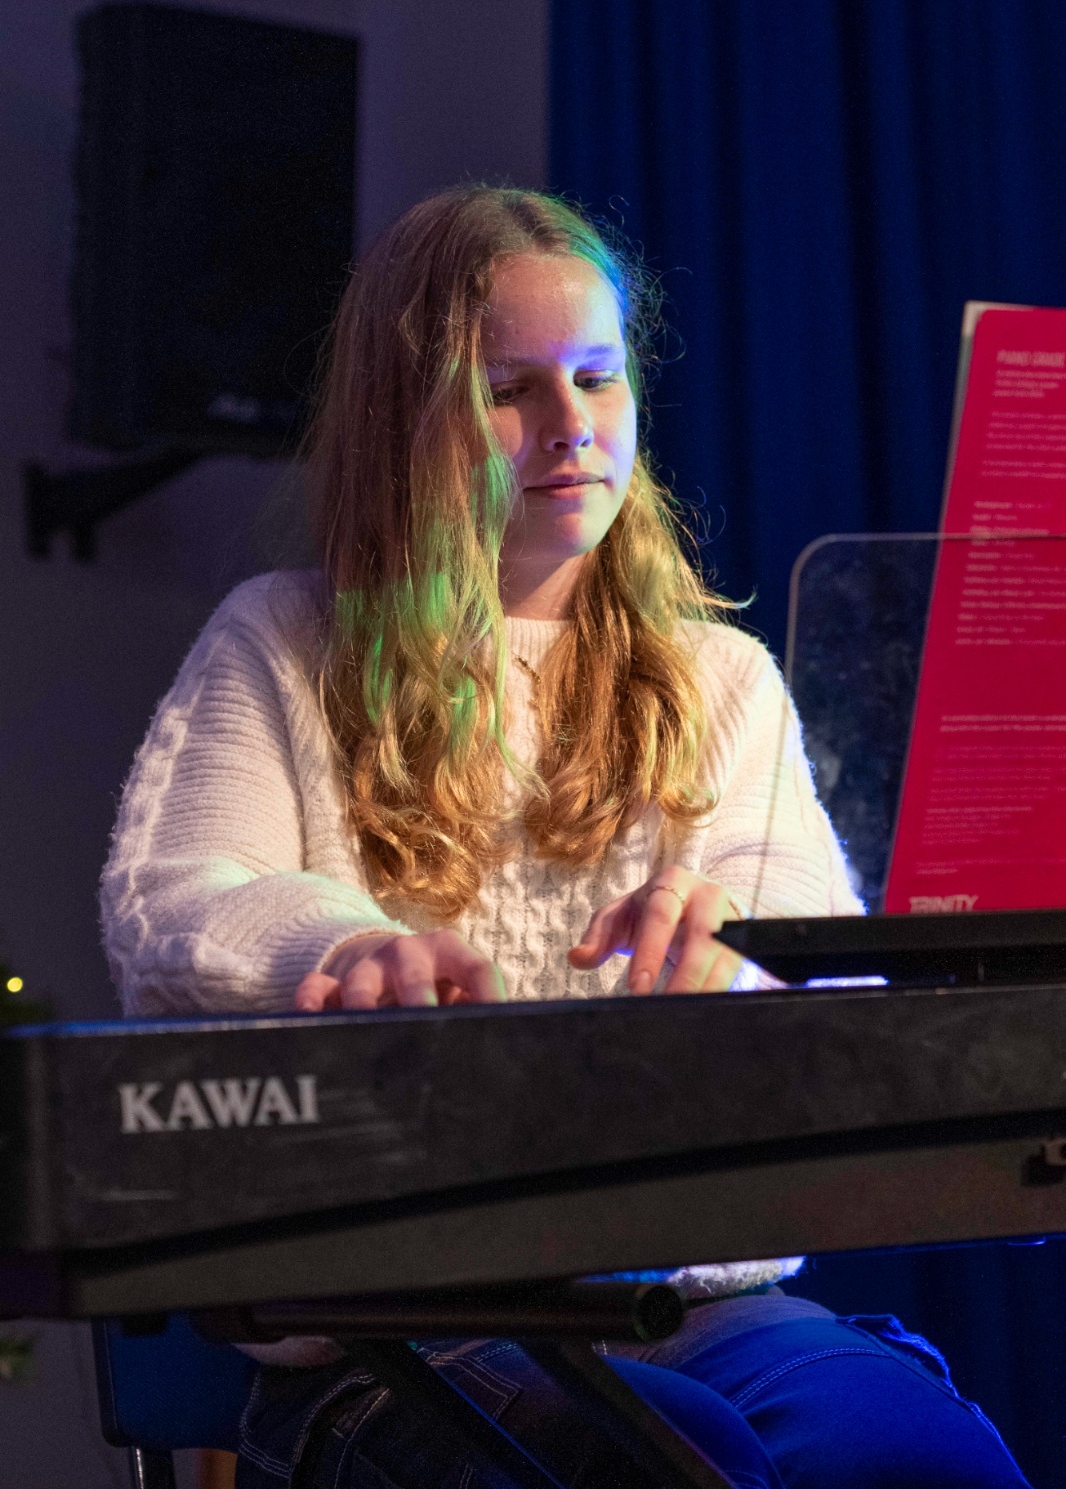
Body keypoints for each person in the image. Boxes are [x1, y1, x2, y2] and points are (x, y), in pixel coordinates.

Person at [101, 186, 1029, 1488]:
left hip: (686, 1297)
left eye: (596, 377)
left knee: (922, 1457)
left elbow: (807, 929)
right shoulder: (284, 637)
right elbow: (174, 897)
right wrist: (346, 947)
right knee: (665, 1461)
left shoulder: (720, 676)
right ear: (405, 419)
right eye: (508, 390)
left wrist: (747, 940)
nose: (570, 426)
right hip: (396, 1319)